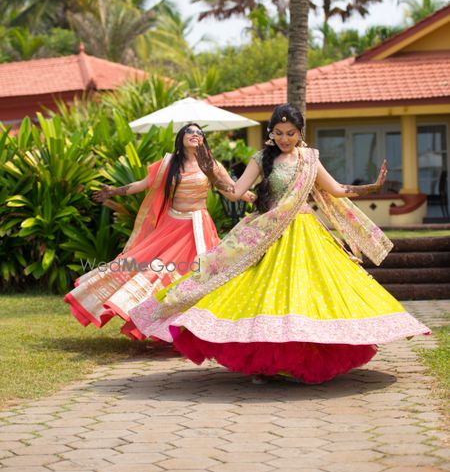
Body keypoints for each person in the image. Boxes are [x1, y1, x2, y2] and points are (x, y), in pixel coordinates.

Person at [129, 104, 430, 383]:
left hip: (306, 234)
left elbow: (336, 189)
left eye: (291, 133)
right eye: (279, 133)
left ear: (300, 133)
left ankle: (302, 359)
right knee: (262, 293)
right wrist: (210, 171)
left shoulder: (309, 158)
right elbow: (235, 191)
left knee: (313, 293)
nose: (285, 138)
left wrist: (372, 187)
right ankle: (266, 362)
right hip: (267, 234)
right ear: (271, 133)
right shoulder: (261, 159)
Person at [64, 122, 253, 339]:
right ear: (181, 138)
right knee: (151, 271)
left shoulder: (210, 164)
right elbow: (142, 185)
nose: (194, 134)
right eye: (189, 131)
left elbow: (231, 190)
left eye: (199, 132)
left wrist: (253, 197)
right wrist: (113, 191)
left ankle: (192, 331)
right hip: (172, 228)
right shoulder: (168, 164)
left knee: (198, 277)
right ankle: (157, 324)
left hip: (199, 229)